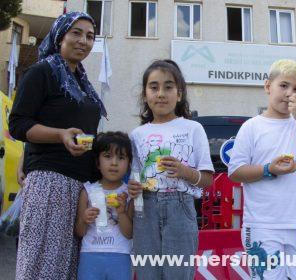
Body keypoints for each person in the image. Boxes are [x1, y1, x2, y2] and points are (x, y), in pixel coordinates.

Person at [8, 12, 106, 280]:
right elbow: (18, 124)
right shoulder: (42, 72)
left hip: (80, 187)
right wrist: (60, 135)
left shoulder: (83, 84)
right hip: (49, 184)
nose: (83, 41)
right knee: (42, 265)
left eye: (89, 36)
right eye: (76, 33)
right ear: (60, 35)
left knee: (68, 267)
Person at [228, 59, 296, 280]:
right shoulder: (251, 127)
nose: (290, 93)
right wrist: (267, 169)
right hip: (263, 226)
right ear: (267, 87)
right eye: (284, 86)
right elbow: (235, 172)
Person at [128, 59, 214, 279]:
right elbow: (135, 178)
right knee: (148, 273)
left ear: (179, 93)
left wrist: (184, 171)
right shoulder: (137, 135)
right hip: (144, 209)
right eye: (154, 87)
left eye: (168, 87)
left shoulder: (193, 128)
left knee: (179, 273)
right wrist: (134, 188)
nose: (161, 93)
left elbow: (207, 179)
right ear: (145, 94)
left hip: (181, 207)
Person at [75, 132, 133, 280]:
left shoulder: (129, 193)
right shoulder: (87, 191)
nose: (114, 163)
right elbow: (79, 232)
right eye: (107, 156)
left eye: (121, 158)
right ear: (97, 162)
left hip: (120, 254)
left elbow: (129, 233)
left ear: (129, 164)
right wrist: (84, 218)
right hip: (90, 253)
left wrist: (121, 213)